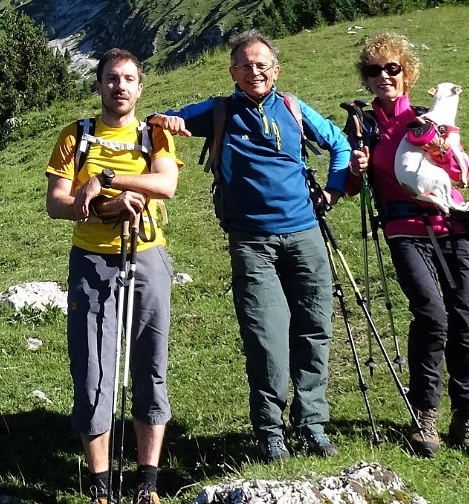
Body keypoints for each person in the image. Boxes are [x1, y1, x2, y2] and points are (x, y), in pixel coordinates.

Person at [149, 30, 350, 462]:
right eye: (245, 65)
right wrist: (168, 121)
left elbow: (340, 144)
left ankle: (312, 424)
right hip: (251, 243)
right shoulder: (220, 111)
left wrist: (332, 191)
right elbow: (162, 119)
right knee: (265, 338)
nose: (254, 71)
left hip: (305, 235)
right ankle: (270, 432)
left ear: (276, 70)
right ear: (233, 73)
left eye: (262, 64)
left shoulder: (294, 109)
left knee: (315, 328)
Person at [345, 32, 469, 459]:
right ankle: (425, 413)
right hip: (405, 231)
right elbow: (354, 187)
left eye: (392, 69)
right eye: (374, 71)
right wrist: (357, 169)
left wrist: (439, 146)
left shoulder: (431, 118)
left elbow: (463, 173)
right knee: (431, 316)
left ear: (407, 74)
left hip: (454, 227)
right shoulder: (362, 125)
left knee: (463, 321)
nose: (384, 77)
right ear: (367, 80)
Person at [46, 48, 181, 504]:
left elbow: (167, 186)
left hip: (148, 255)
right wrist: (100, 208)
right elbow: (56, 204)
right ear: (98, 84)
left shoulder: (155, 136)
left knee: (149, 364)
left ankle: (148, 482)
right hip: (91, 260)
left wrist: (104, 180)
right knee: (91, 370)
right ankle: (100, 486)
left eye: (128, 79)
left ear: (140, 88)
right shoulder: (75, 136)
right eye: (111, 78)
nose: (119, 86)